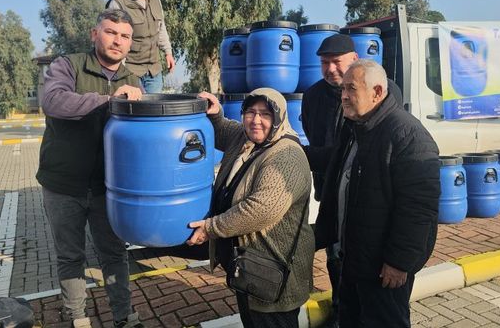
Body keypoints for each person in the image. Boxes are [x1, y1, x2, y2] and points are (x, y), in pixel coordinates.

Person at [36, 9, 144, 328]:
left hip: (106, 188)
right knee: (71, 257)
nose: (117, 41)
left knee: (113, 254)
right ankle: (77, 318)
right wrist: (109, 100)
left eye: (125, 36)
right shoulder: (67, 65)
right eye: (111, 32)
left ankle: (124, 316)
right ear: (95, 34)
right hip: (62, 184)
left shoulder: (132, 81)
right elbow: (54, 102)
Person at [315, 59, 440, 327]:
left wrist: (398, 262)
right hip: (354, 259)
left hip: (383, 269)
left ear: (377, 92)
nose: (344, 97)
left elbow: (418, 208)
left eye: (351, 89)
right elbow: (336, 167)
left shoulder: (407, 135)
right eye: (343, 90)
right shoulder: (357, 127)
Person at [188, 88, 315, 328]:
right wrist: (215, 115)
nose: (256, 120)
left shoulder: (286, 155)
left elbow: (260, 210)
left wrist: (210, 228)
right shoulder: (244, 138)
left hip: (274, 272)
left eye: (265, 114)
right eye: (250, 112)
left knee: (270, 321)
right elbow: (223, 130)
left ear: (278, 118)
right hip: (249, 269)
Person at [300, 33, 358, 324]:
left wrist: (312, 155)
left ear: (354, 60)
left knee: (359, 252)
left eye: (337, 62)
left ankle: (357, 308)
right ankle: (339, 310)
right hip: (330, 189)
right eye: (325, 63)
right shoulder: (312, 96)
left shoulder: (372, 91)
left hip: (362, 192)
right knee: (335, 253)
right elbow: (312, 133)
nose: (331, 68)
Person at [106, 0, 175, 93]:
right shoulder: (117, 4)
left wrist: (168, 52)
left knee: (153, 112)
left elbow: (161, 28)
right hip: (130, 71)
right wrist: (119, 73)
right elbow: (113, 41)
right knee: (135, 111)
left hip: (153, 71)